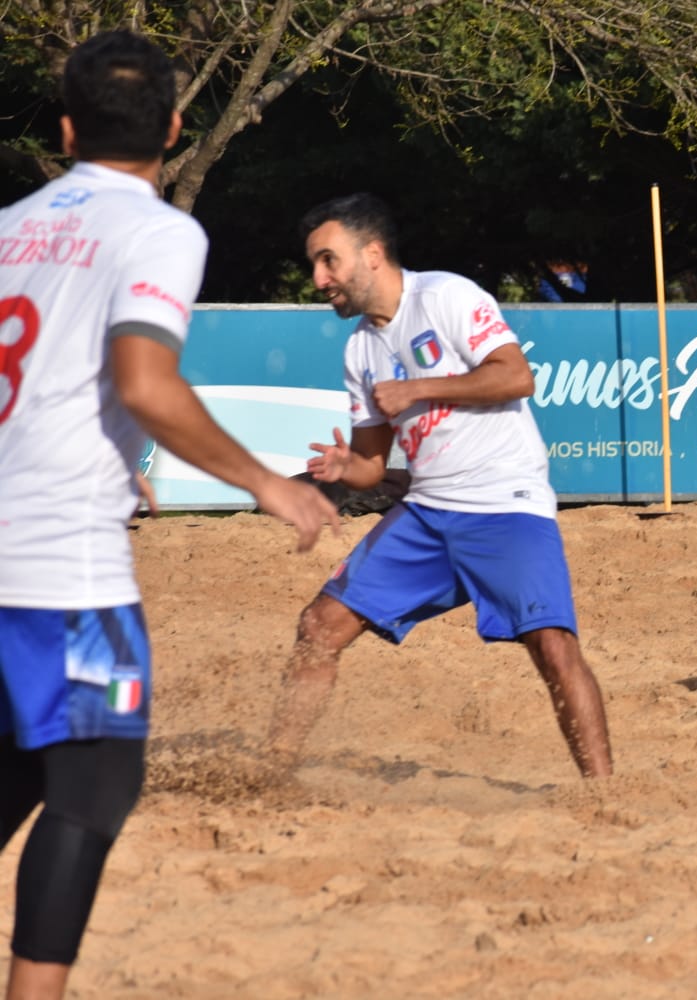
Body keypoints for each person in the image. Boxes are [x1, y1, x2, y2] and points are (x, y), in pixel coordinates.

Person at [0, 30, 339, 1000]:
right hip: (62, 570)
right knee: (95, 782)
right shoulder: (158, 229)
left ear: (66, 127)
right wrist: (267, 483)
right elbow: (147, 383)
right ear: (179, 129)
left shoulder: (11, 224)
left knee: (26, 772)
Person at [264, 193, 613, 780]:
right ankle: (270, 774)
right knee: (318, 627)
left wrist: (421, 388)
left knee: (553, 646)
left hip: (505, 505)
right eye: (315, 265)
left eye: (329, 261)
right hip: (428, 511)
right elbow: (375, 468)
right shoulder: (360, 350)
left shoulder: (445, 296)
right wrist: (344, 467)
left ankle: (603, 794)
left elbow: (515, 377)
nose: (319, 278)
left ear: (372, 254)